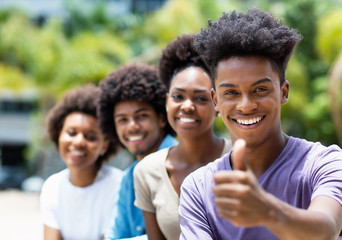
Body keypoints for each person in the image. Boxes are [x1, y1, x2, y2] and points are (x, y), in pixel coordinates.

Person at [179, 8, 342, 240]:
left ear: (283, 92)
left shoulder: (324, 164)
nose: (246, 105)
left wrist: (267, 211)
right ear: (215, 101)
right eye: (231, 93)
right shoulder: (198, 188)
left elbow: (328, 228)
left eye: (259, 90)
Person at [133, 34, 231, 240]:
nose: (187, 106)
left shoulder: (241, 158)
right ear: (167, 101)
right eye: (178, 96)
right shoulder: (147, 171)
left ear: (217, 104)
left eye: (200, 98)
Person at [98, 63, 178, 240]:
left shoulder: (182, 162)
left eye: (141, 116)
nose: (132, 126)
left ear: (161, 118)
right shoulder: (129, 177)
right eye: (122, 120)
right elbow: (116, 235)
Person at [40, 84, 123, 240]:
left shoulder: (118, 184)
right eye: (71, 133)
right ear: (59, 135)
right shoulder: (52, 186)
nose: (78, 142)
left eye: (90, 137)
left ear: (105, 145)